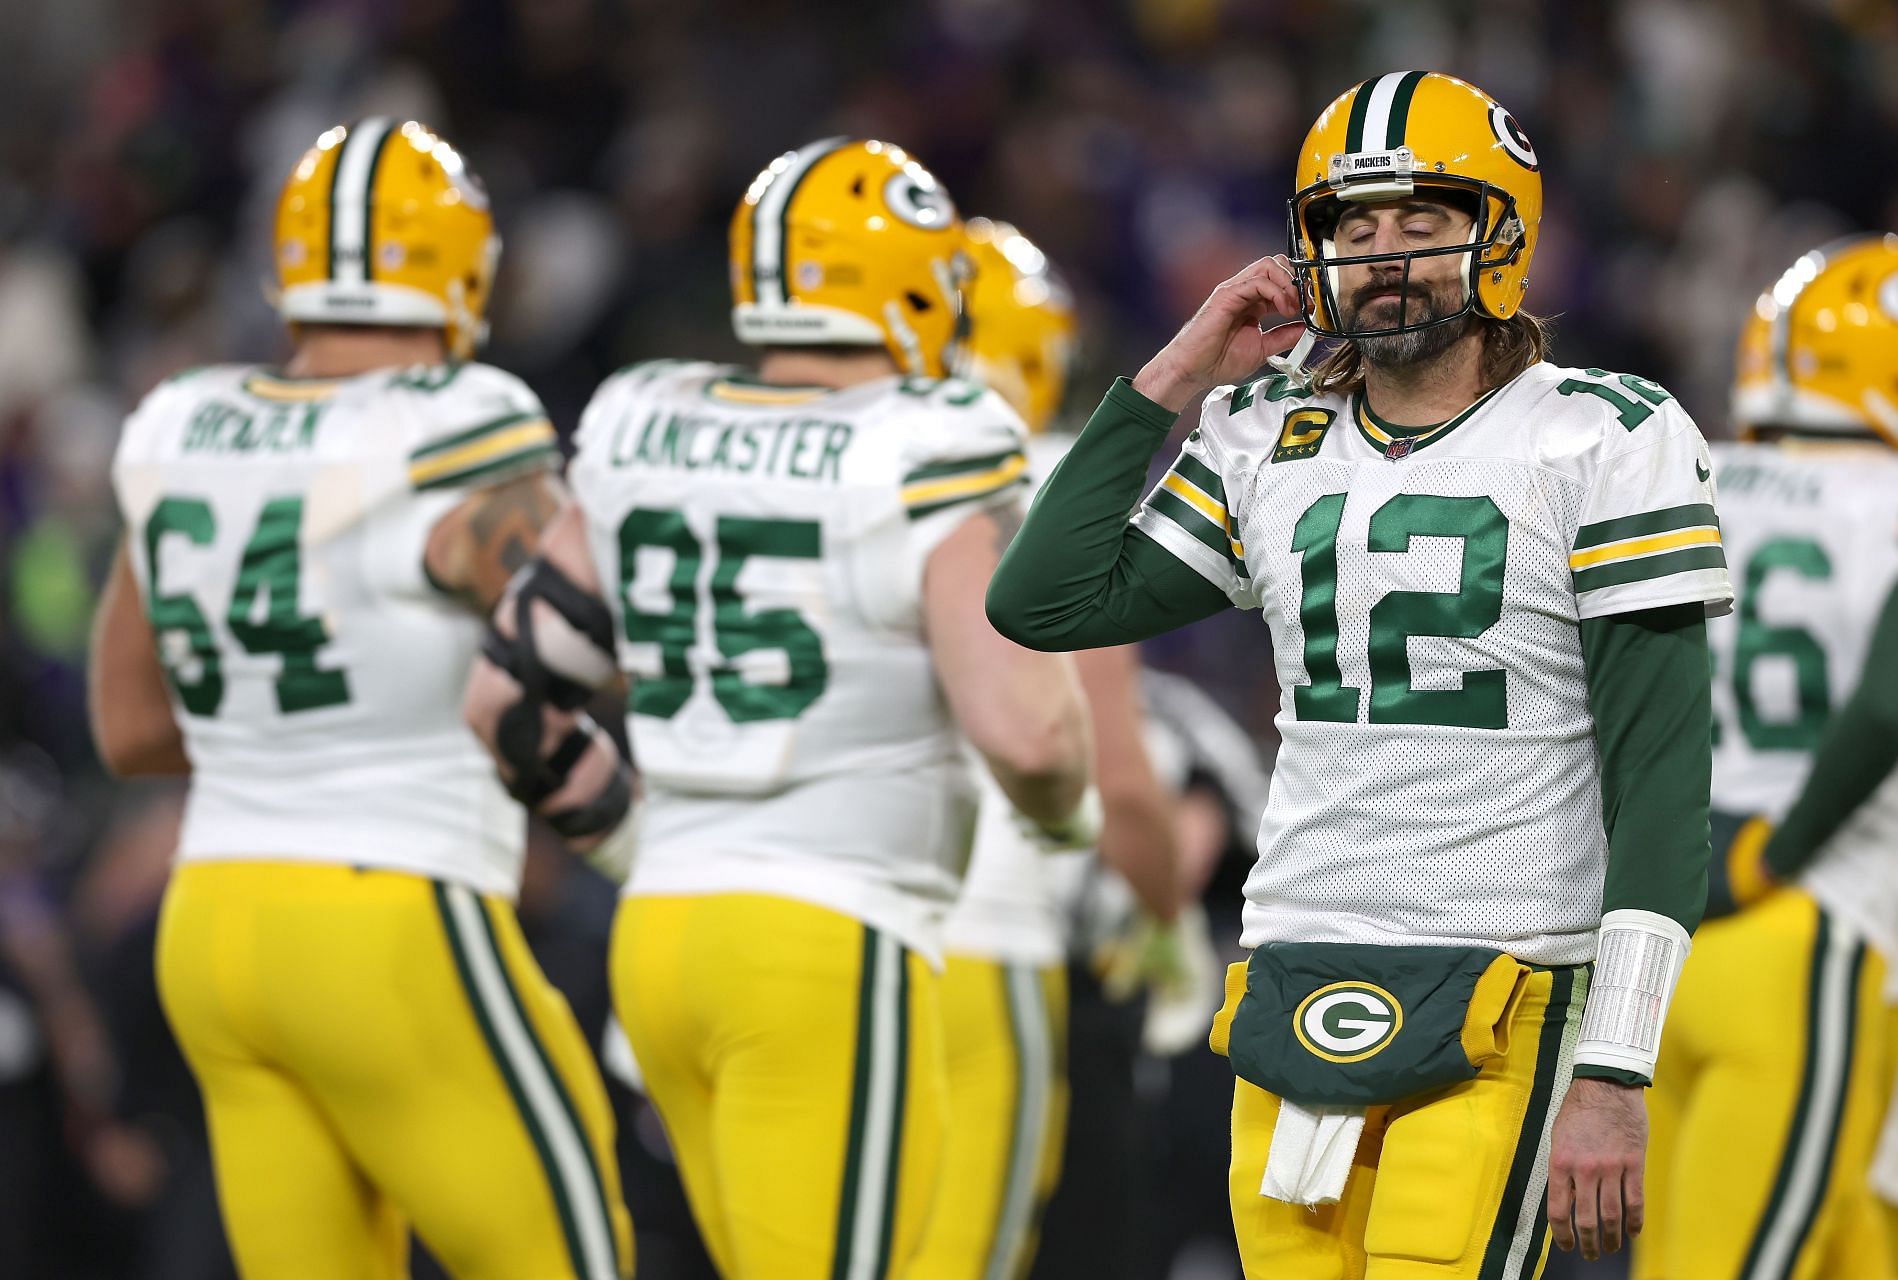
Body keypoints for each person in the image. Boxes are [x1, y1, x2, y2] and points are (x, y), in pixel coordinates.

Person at [985, 71, 1729, 1276]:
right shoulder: (1268, 429)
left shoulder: (1606, 434)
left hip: (1510, 974)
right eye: (1352, 226)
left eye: (1421, 221)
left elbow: (1658, 781)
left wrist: (1616, 1061)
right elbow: (1042, 599)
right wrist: (1181, 367)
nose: (1384, 255)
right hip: (1292, 965)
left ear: (1501, 233)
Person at [462, 138, 1097, 1280]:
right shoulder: (937, 441)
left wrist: (635, 840)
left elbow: (504, 698)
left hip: (658, 941)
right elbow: (1030, 730)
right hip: (825, 937)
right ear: (914, 281)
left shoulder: (646, 417)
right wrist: (1062, 816)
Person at [87, 119, 633, 1280]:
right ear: (463, 269)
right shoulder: (461, 417)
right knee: (570, 1254)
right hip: (386, 910)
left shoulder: (179, 419)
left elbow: (128, 727)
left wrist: (292, 736)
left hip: (215, 918)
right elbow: (588, 640)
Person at [1638, 234, 1898, 1280]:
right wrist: (1778, 852)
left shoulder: (1683, 480)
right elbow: (1893, 701)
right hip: (1814, 909)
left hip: (1662, 927)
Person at [908, 218, 1182, 1280]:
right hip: (989, 932)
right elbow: (1116, 777)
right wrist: (1165, 919)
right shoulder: (1046, 480)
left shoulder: (852, 457)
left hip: (838, 925)